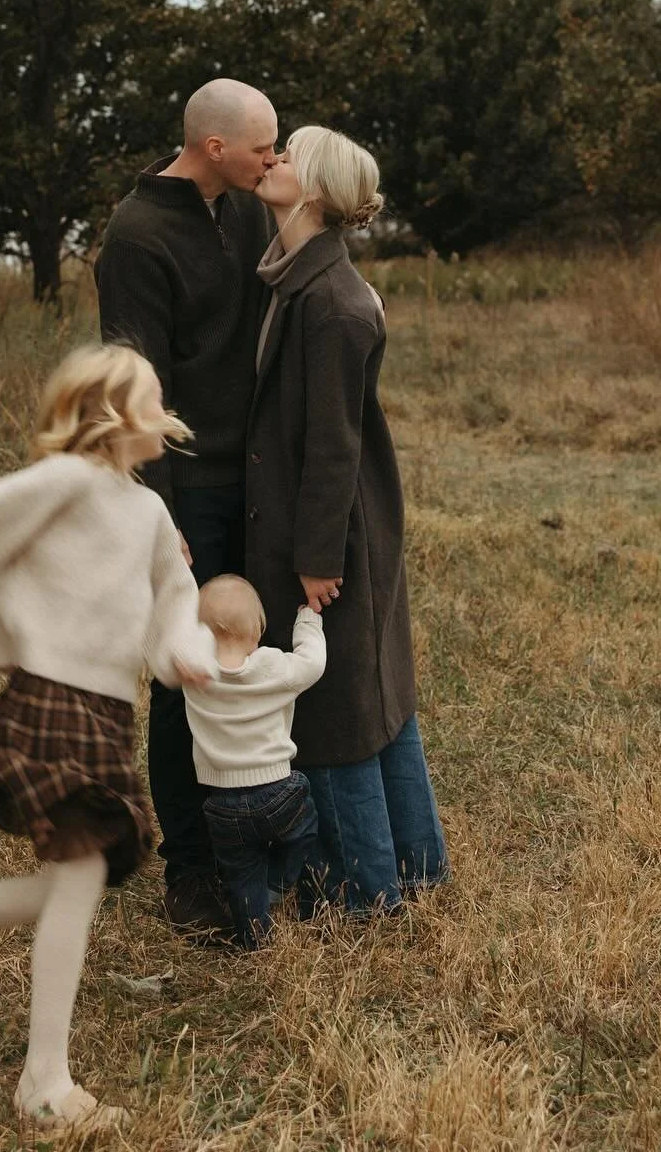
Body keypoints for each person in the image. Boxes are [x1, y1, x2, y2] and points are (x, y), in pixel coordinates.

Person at [0, 344, 217, 1132]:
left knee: (82, 878)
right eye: (152, 398)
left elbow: (176, 592)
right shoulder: (68, 481)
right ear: (108, 413)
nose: (167, 412)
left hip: (105, 711)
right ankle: (43, 1080)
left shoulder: (150, 511)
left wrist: (184, 653)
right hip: (49, 696)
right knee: (81, 875)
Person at [246, 125, 449, 912]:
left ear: (318, 190)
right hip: (339, 525)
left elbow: (333, 446)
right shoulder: (301, 279)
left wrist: (316, 555)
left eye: (288, 155)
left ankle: (362, 891)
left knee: (337, 709)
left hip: (337, 535)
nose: (274, 161)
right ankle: (416, 863)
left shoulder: (329, 301)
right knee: (374, 694)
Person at [96, 78, 277, 936]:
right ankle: (192, 870)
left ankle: (262, 836)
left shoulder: (247, 207)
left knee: (257, 655)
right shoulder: (134, 240)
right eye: (262, 147)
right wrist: (159, 516)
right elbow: (134, 391)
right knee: (185, 677)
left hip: (255, 476)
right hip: (185, 493)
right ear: (213, 148)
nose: (273, 160)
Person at [183, 574, 327, 946]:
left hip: (221, 804)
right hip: (278, 792)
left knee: (240, 872)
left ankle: (254, 938)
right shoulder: (271, 666)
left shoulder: (194, 674)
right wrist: (308, 623)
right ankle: (279, 882)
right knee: (305, 827)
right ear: (258, 628)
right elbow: (312, 664)